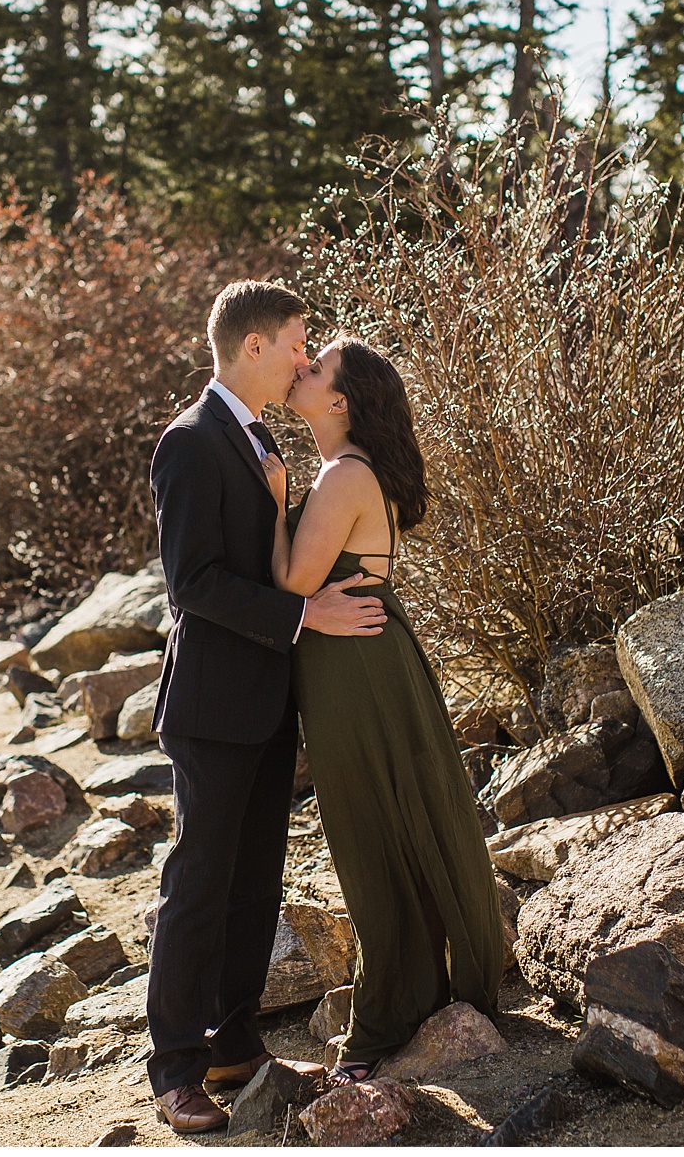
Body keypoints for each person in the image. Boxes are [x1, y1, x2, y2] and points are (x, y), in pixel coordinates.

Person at [146, 282, 389, 1135]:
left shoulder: (260, 442)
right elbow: (194, 585)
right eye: (297, 340)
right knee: (198, 885)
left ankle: (235, 1042)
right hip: (211, 703)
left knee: (256, 885)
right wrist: (305, 614)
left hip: (265, 702)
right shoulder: (188, 442)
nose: (303, 354)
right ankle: (175, 1068)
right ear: (253, 346)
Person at [262, 335, 507, 1087]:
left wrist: (274, 501)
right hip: (364, 658)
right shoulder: (349, 469)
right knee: (392, 816)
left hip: (358, 669)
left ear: (339, 400)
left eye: (315, 367)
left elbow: (296, 577)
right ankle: (423, 984)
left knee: (371, 822)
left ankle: (395, 1003)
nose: (299, 370)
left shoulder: (342, 474)